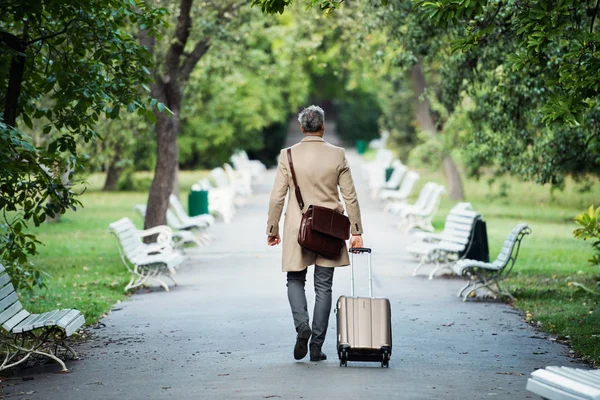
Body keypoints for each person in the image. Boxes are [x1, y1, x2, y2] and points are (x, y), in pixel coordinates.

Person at [266, 105, 364, 362]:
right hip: (329, 229)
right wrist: (356, 231)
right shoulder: (338, 155)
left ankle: (302, 327)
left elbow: (277, 196)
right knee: (324, 287)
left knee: (295, 280)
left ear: (302, 128)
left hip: (297, 228)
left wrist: (273, 228)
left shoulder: (287, 155)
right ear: (322, 128)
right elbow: (350, 196)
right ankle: (317, 347)